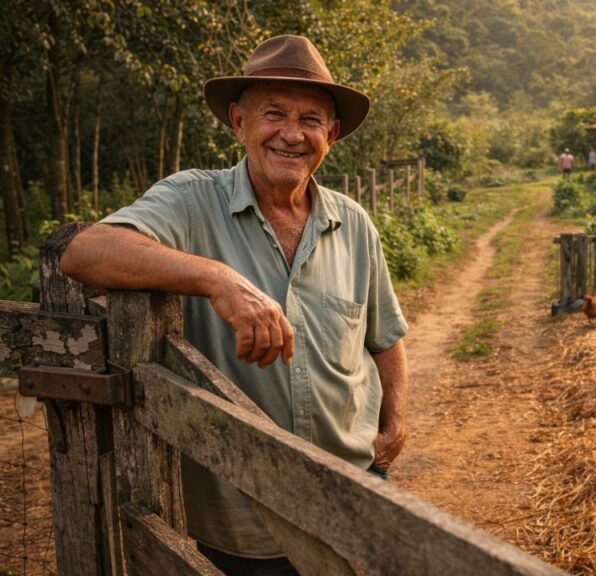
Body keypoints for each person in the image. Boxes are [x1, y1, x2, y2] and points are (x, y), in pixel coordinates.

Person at [59, 35, 408, 576]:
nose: (291, 134)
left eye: (311, 120)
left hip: (352, 491)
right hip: (240, 516)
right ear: (238, 121)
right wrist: (216, 278)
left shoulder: (353, 222)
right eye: (274, 113)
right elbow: (86, 252)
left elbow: (383, 335)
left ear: (331, 135)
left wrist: (396, 419)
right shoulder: (192, 201)